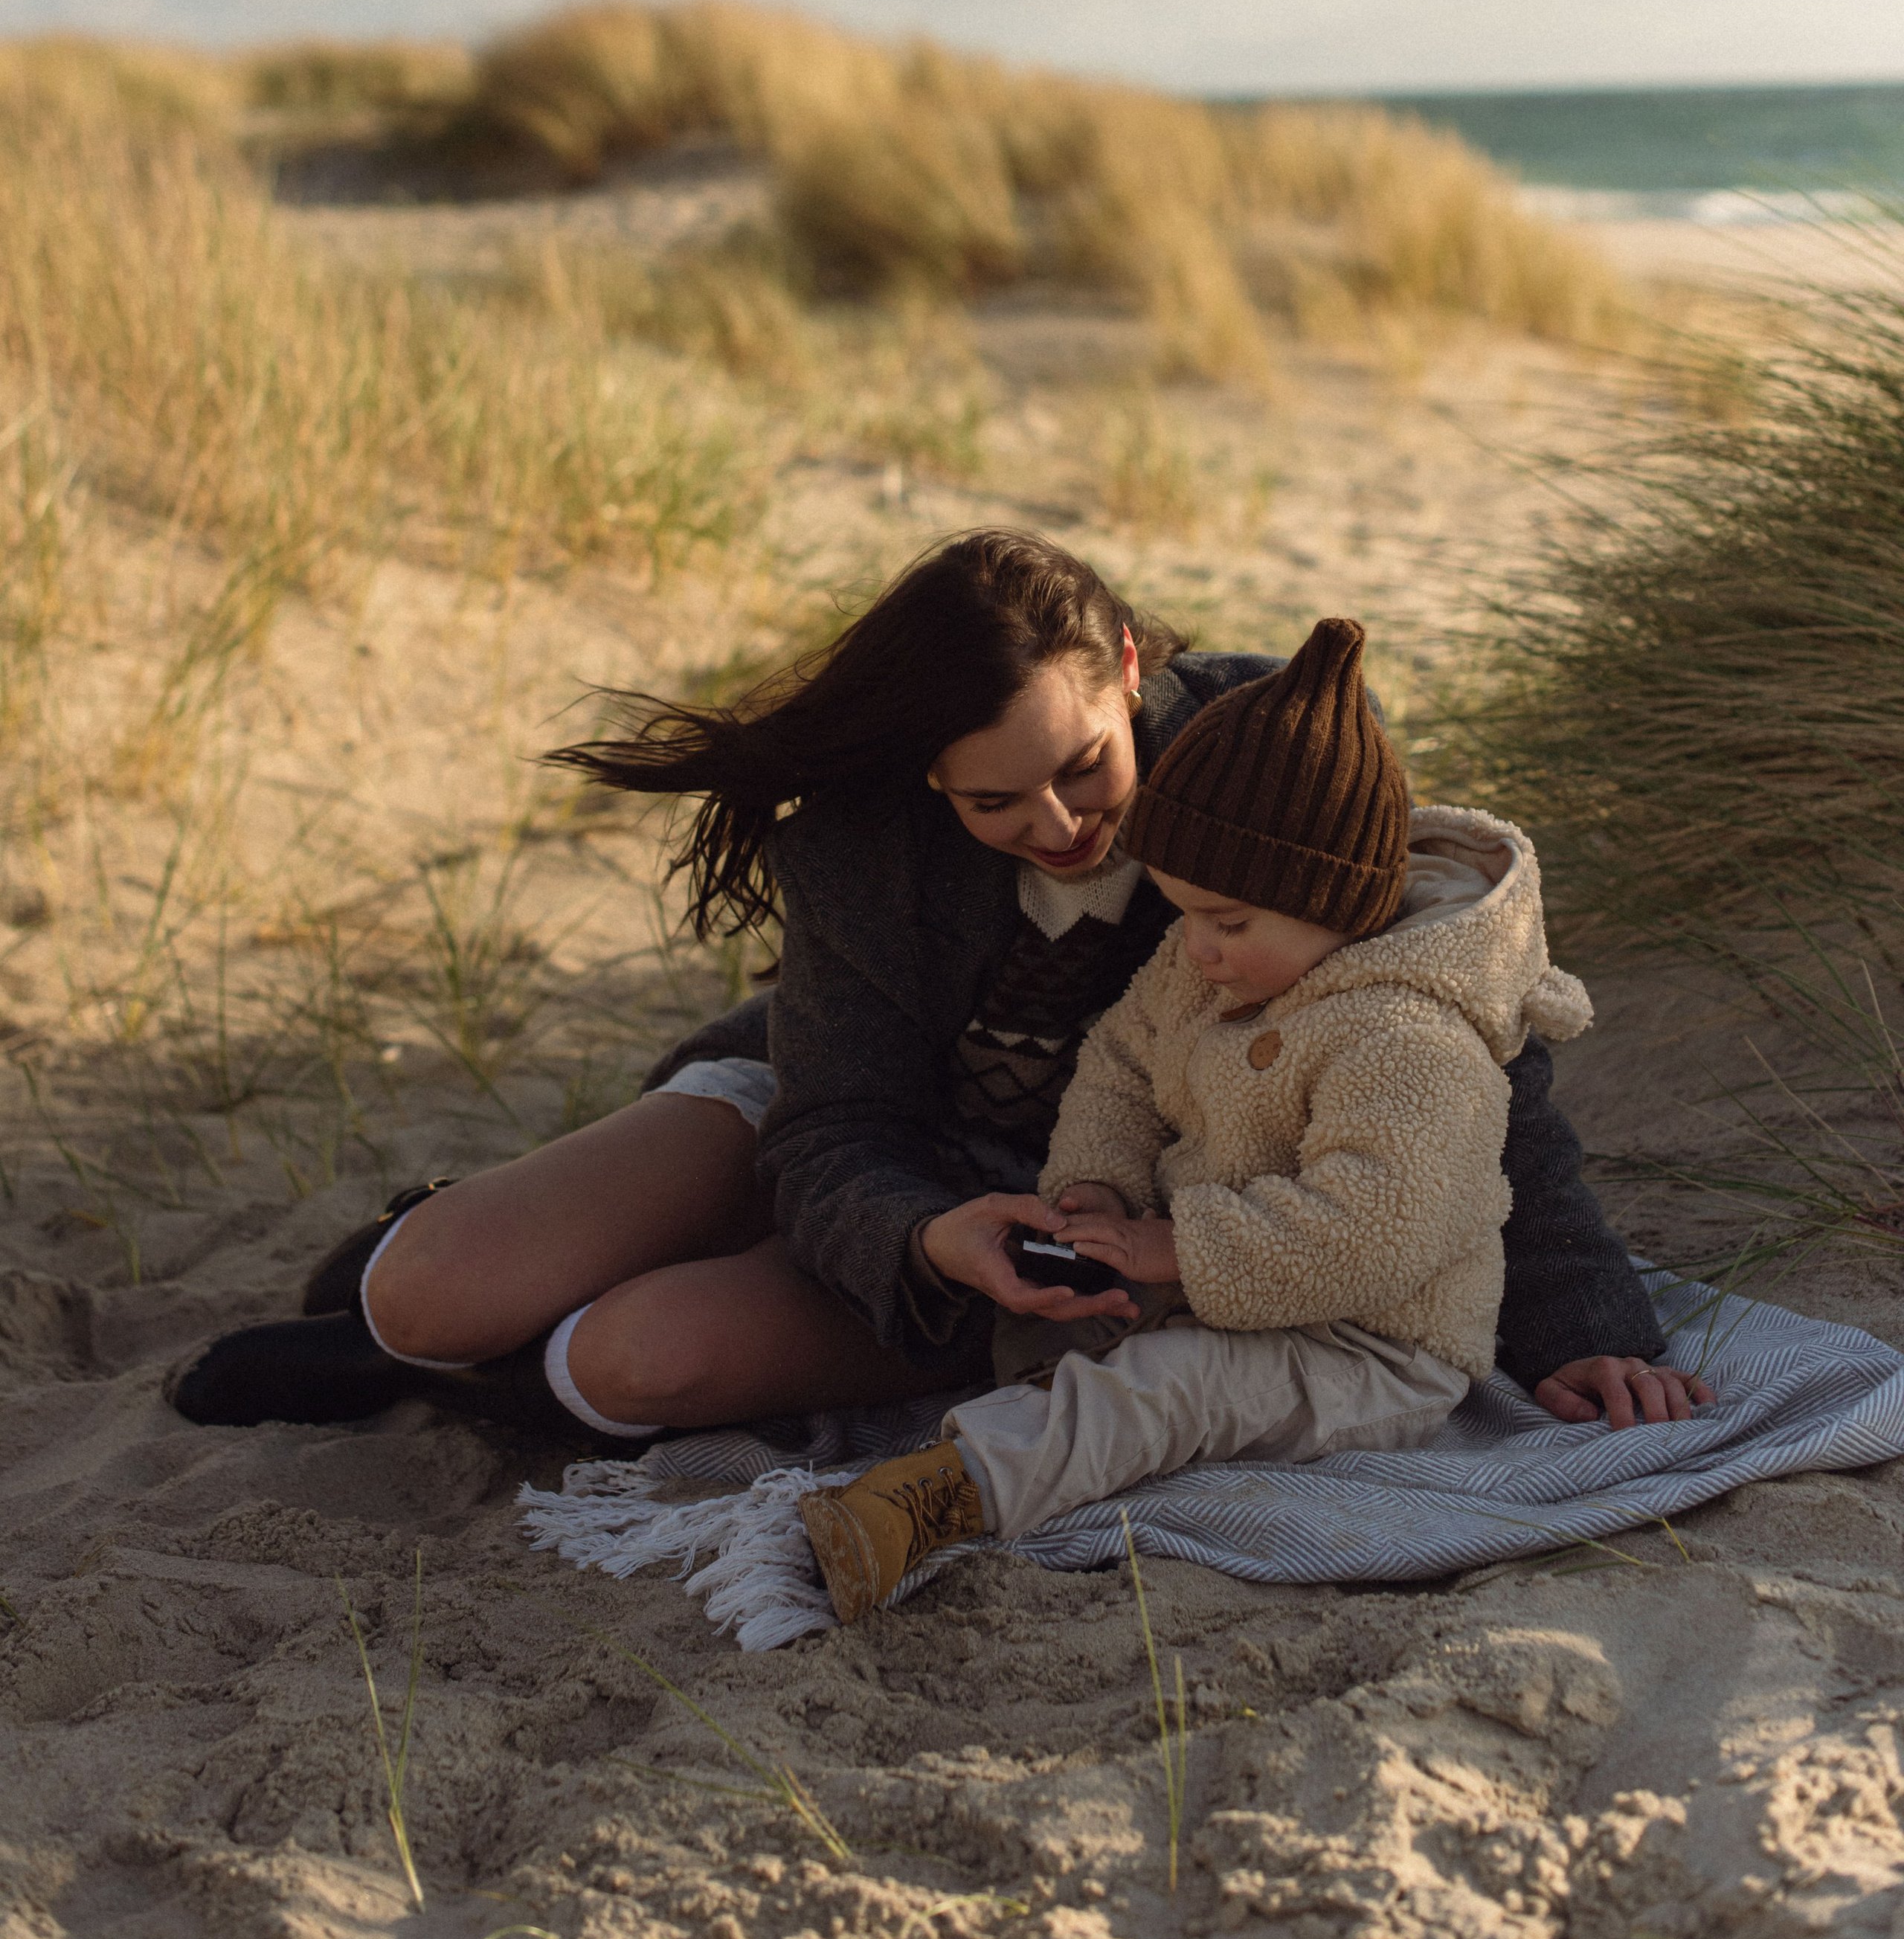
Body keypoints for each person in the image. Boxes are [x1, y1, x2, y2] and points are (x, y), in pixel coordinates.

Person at [169, 532, 1707, 1442]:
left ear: (1123, 660)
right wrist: (911, 1219)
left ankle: (467, 1377)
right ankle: (422, 1294)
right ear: (924, 775)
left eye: (1084, 768)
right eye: (993, 804)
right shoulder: (854, 841)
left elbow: (1448, 1023)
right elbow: (832, 1121)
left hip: (1054, 1229)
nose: (1060, 826)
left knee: (623, 1360)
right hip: (844, 1124)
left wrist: (1576, 1316)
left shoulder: (1252, 743)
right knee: (420, 1286)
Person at [803, 617, 1594, 1623]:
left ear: (1334, 903)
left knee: (1170, 1389)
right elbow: (1120, 1065)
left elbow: (1372, 1232)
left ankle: (939, 1503)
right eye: (1184, 914)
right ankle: (1014, 1438)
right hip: (1224, 1285)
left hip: (1367, 1345)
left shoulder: (1409, 1037)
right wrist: (1100, 1186)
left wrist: (1174, 1247)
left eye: (1227, 924)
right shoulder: (1207, 960)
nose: (1199, 950)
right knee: (1072, 1334)